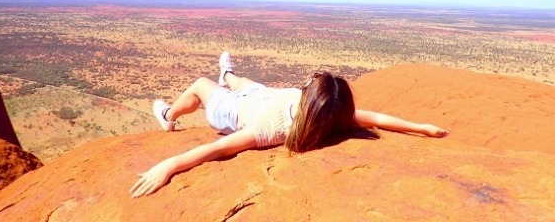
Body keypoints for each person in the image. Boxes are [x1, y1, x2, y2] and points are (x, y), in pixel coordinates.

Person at [130, 52, 449, 198]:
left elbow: (218, 148)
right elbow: (377, 118)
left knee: (200, 85)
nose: (310, 79)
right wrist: (421, 127)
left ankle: (168, 115)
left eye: (312, 81)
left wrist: (168, 166)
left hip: (233, 110)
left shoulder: (269, 129)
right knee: (242, 80)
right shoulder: (327, 115)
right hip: (262, 95)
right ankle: (226, 75)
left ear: (311, 98)